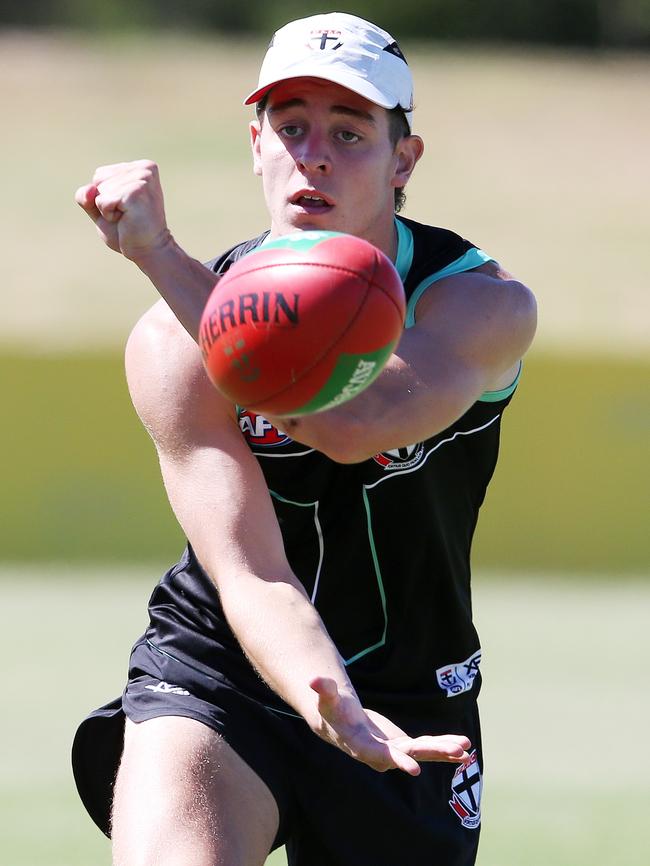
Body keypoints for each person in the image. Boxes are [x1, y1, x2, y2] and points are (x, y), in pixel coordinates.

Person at [72, 12, 536, 866]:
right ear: (256, 145)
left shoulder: (478, 306)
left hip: (411, 684)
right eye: (290, 127)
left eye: (350, 133)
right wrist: (324, 697)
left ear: (405, 160)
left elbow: (351, 424)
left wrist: (164, 257)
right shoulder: (171, 345)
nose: (313, 153)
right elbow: (250, 573)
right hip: (225, 669)